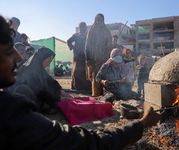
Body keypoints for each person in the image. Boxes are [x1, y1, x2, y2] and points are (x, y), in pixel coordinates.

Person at [0, 15, 160, 149]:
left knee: (125, 93)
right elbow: (83, 143)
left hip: (108, 77)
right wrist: (141, 124)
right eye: (8, 51)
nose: (19, 58)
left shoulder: (10, 104)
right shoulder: (10, 112)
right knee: (84, 82)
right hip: (91, 65)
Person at [6, 46, 62, 114]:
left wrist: (60, 90)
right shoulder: (30, 69)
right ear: (42, 58)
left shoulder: (39, 69)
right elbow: (40, 90)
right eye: (49, 60)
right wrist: (57, 96)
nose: (49, 63)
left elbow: (51, 81)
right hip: (21, 98)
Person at [85, 13, 112, 96]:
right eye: (97, 19)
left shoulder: (106, 31)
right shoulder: (92, 30)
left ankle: (103, 96)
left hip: (104, 59)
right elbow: (87, 45)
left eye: (100, 19)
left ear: (103, 20)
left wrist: (109, 57)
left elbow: (109, 45)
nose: (98, 21)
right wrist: (88, 58)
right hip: (94, 58)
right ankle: (95, 96)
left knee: (104, 77)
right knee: (95, 77)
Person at [67, 22, 91, 93]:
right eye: (81, 27)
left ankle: (86, 88)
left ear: (86, 28)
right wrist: (73, 48)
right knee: (76, 71)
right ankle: (76, 87)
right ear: (79, 28)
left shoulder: (87, 36)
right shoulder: (76, 35)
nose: (83, 28)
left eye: (84, 27)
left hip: (85, 57)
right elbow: (68, 41)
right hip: (77, 57)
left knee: (85, 72)